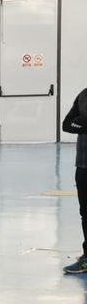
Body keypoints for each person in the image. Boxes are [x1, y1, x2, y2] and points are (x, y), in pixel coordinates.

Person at [62, 88, 87, 273]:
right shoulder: (83, 96)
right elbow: (67, 124)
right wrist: (83, 124)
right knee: (85, 214)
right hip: (83, 166)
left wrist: (80, 123)